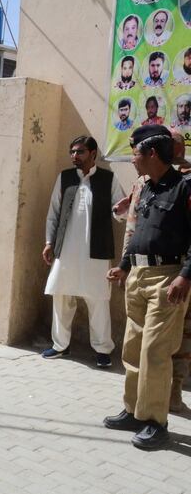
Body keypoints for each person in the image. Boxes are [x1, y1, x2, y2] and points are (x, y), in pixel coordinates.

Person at [105, 124, 191, 449]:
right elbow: (138, 233)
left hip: (168, 278)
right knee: (132, 348)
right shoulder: (145, 188)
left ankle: (156, 422)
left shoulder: (183, 189)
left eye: (135, 153)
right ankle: (133, 410)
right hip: (138, 276)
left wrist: (185, 276)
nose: (132, 159)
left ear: (151, 153)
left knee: (155, 352)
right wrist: (123, 267)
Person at [41, 136, 125, 367]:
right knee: (61, 296)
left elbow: (120, 212)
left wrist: (122, 210)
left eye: (79, 152)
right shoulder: (65, 177)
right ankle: (60, 345)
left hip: (96, 252)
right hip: (65, 250)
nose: (74, 156)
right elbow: (54, 212)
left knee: (98, 299)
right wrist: (49, 242)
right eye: (72, 152)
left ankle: (102, 350)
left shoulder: (108, 179)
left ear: (93, 153)